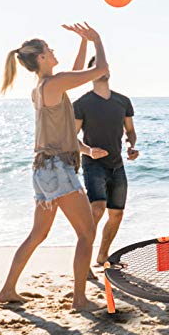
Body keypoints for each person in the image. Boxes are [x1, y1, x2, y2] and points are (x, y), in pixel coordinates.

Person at [0, 23, 109, 311]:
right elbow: (97, 71)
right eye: (49, 49)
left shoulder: (43, 87)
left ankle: (8, 289)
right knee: (86, 233)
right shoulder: (53, 84)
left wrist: (84, 149)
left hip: (44, 170)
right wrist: (97, 41)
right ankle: (80, 299)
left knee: (38, 234)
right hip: (58, 170)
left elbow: (72, 77)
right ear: (41, 58)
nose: (53, 51)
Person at [73, 55, 139, 266]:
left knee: (117, 213)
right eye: (97, 66)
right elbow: (71, 139)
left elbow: (130, 131)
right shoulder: (81, 103)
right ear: (90, 72)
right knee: (97, 209)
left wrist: (130, 146)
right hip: (93, 164)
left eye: (105, 66)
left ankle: (102, 256)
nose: (103, 69)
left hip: (117, 164)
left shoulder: (123, 101)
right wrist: (89, 150)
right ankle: (83, 259)